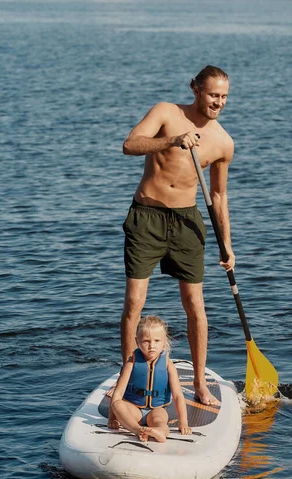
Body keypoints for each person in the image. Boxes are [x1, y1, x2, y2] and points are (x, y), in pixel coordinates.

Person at [121, 65, 235, 407]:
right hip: (147, 216)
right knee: (133, 303)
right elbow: (129, 145)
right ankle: (128, 382)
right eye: (213, 94)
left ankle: (200, 383)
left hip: (187, 221)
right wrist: (172, 140)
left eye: (224, 97)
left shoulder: (223, 142)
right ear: (195, 89)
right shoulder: (166, 113)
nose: (218, 102)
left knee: (195, 306)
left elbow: (218, 197)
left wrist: (227, 245)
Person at [108, 315, 192, 443]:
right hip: (133, 408)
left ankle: (159, 432)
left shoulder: (168, 365)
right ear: (137, 342)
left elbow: (178, 396)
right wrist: (112, 418)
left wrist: (183, 423)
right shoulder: (131, 364)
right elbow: (118, 394)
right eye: (146, 341)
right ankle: (137, 429)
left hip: (157, 409)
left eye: (157, 341)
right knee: (118, 404)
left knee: (160, 421)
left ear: (164, 342)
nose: (151, 345)